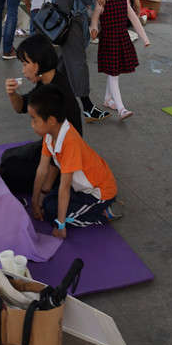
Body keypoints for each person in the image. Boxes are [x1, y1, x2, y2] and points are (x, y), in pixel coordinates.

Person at [29, 84, 119, 239]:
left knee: (53, 213)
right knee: (48, 201)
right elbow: (42, 169)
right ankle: (87, 210)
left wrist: (61, 226)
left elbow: (64, 187)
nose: (32, 125)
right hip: (80, 188)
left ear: (50, 120)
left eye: (34, 120)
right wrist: (35, 201)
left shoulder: (69, 141)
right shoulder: (50, 134)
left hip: (99, 192)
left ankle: (102, 214)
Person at [0, 34, 82, 194]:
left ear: (38, 63)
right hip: (47, 146)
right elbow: (21, 106)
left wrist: (45, 189)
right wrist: (12, 94)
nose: (23, 71)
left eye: (25, 64)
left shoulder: (56, 92)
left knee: (7, 174)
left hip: (63, 158)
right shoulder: (46, 81)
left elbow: (60, 150)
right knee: (7, 157)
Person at [89, 0, 150, 121]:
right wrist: (93, 29)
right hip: (109, 41)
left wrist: (145, 38)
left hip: (122, 39)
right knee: (114, 74)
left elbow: (134, 19)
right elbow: (95, 17)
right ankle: (121, 108)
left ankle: (108, 100)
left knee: (114, 73)